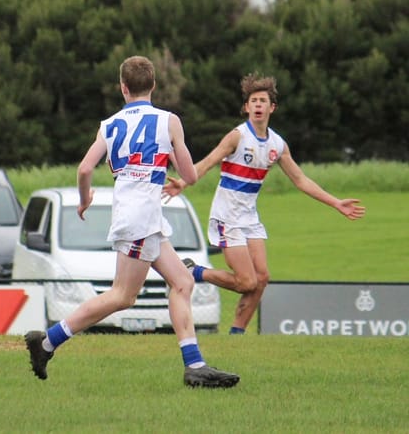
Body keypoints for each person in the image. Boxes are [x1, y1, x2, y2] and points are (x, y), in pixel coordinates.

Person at [23, 56, 240, 388]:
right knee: (122, 296)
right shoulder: (169, 121)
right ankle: (48, 342)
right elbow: (190, 175)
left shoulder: (109, 124)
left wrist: (85, 199)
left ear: (123, 88)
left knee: (182, 281)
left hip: (139, 216)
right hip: (142, 219)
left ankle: (195, 365)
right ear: (153, 85)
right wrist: (170, 161)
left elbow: (84, 169)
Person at [165, 73, 366, 334]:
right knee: (246, 282)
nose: (258, 105)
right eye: (254, 101)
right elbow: (208, 162)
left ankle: (236, 335)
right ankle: (194, 272)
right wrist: (184, 181)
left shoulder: (277, 145)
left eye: (263, 101)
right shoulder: (237, 136)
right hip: (227, 216)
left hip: (249, 217)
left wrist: (336, 203)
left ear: (272, 108)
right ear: (247, 107)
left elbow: (301, 180)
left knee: (261, 279)